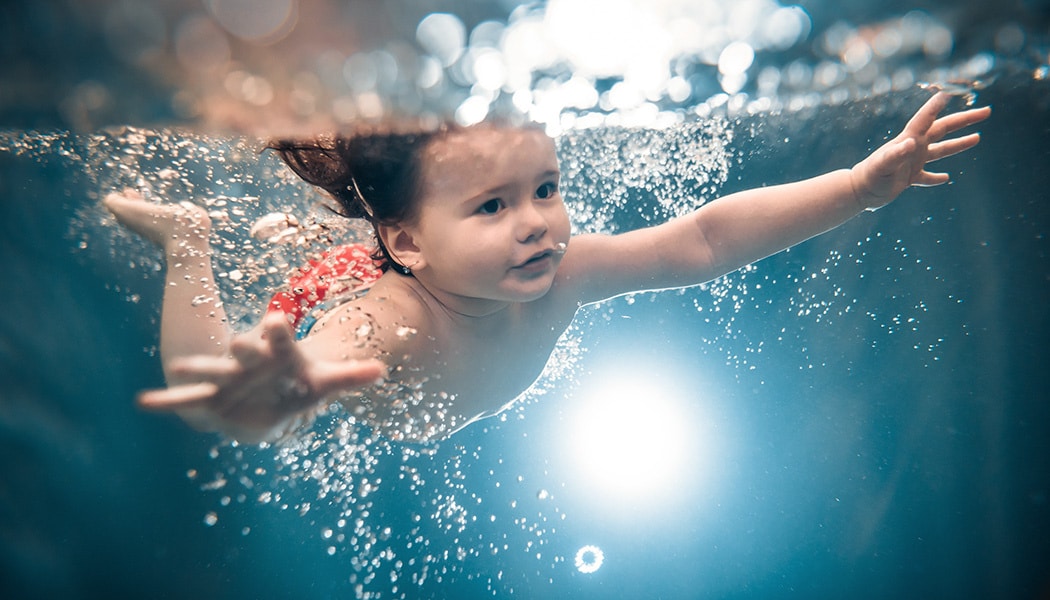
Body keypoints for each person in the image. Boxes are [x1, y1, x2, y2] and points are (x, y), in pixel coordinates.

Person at [104, 91, 990, 444]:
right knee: (201, 382)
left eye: (545, 189)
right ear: (406, 242)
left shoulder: (561, 272)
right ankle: (189, 236)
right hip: (351, 299)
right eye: (492, 207)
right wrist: (286, 389)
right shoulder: (389, 321)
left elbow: (705, 242)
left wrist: (857, 187)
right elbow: (333, 355)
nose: (537, 226)